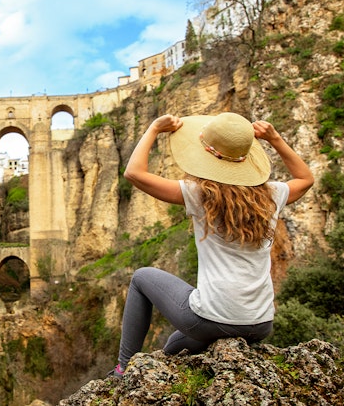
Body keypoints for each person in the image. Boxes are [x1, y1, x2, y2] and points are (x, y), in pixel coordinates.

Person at [108, 112, 314, 378]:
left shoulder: (200, 194)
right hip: (260, 323)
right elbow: (306, 178)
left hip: (210, 320)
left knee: (141, 277)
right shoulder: (272, 195)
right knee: (173, 348)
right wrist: (275, 139)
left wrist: (154, 129)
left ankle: (123, 368)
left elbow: (134, 173)